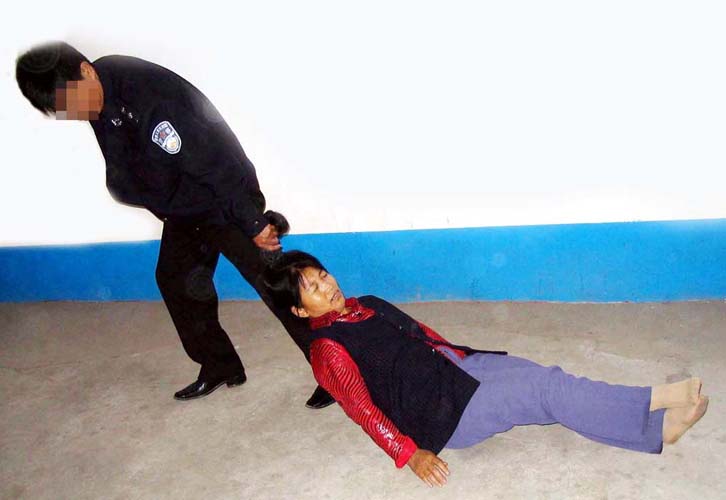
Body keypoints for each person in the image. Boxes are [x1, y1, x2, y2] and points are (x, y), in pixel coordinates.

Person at [15, 42, 333, 408]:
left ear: (86, 71)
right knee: (175, 280)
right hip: (186, 209)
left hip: (223, 196)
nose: (73, 114)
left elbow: (214, 161)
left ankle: (334, 369)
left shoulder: (149, 97)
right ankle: (220, 365)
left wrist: (253, 221)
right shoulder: (97, 100)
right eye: (62, 111)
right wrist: (149, 201)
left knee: (275, 283)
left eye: (70, 104)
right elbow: (124, 170)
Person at [262, 250, 709, 487]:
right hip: (441, 414)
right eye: (312, 289)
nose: (327, 287)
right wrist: (409, 454)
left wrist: (468, 358)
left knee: (548, 379)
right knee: (546, 393)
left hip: (455, 370)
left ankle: (649, 426)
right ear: (300, 310)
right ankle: (655, 412)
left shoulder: (367, 304)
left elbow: (420, 333)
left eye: (322, 276)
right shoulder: (328, 351)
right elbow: (362, 411)